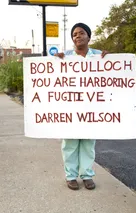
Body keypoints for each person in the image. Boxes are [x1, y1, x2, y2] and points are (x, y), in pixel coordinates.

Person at [54, 22, 109, 190]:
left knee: (87, 144)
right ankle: (71, 176)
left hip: (91, 108)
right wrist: (56, 60)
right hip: (71, 108)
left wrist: (111, 58)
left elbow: (112, 74)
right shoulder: (66, 56)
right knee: (70, 143)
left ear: (89, 37)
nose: (77, 36)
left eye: (81, 33)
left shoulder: (99, 56)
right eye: (74, 34)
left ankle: (87, 176)